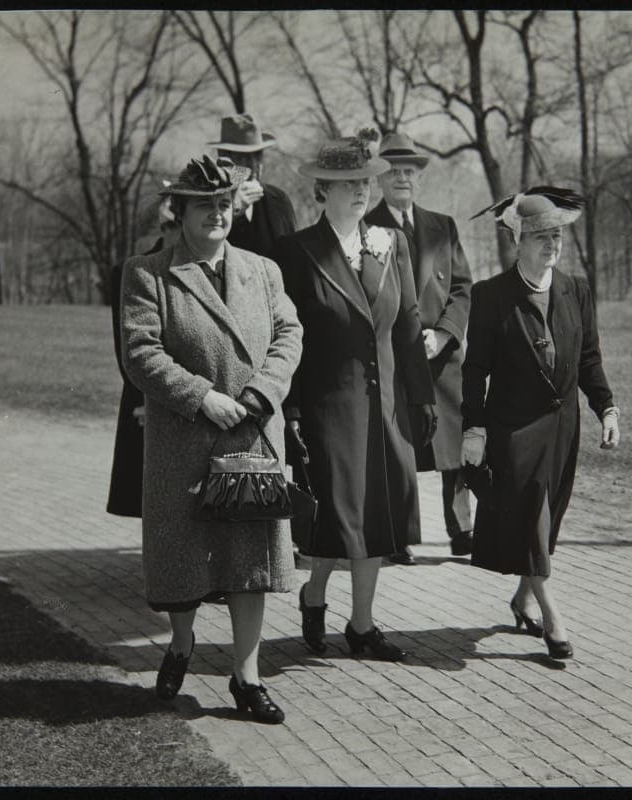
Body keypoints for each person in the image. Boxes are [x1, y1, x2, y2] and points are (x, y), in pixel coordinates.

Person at [119, 155, 303, 722]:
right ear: (181, 211)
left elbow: (289, 334)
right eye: (205, 206)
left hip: (250, 433)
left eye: (225, 205)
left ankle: (245, 678)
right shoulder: (148, 273)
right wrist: (203, 397)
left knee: (250, 561)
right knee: (184, 563)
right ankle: (180, 642)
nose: (218, 215)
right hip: (185, 441)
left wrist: (259, 395)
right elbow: (140, 353)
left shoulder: (263, 271)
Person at [270, 130, 437, 661]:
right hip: (328, 407)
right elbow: (285, 337)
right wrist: (291, 408)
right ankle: (315, 590)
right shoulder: (296, 252)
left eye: (365, 181)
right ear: (323, 190)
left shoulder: (392, 245)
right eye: (348, 184)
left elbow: (408, 326)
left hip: (385, 404)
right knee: (340, 514)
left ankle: (361, 626)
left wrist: (422, 399)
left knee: (380, 516)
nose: (362, 191)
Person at [461, 187, 620, 660]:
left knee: (547, 523)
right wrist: (474, 429)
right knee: (531, 515)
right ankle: (553, 617)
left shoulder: (576, 290)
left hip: (562, 427)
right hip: (513, 428)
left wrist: (606, 409)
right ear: (518, 242)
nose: (552, 245)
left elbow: (589, 358)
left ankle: (522, 598)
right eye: (541, 237)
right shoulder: (491, 296)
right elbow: (475, 371)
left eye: (557, 236)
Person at [365, 132, 473, 564]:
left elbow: (463, 288)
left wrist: (445, 333)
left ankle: (462, 531)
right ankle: (397, 536)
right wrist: (407, 342)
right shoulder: (367, 228)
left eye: (409, 171)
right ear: (380, 179)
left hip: (442, 356)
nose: (402, 178)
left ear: (418, 178)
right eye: (393, 171)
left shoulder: (442, 225)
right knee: (399, 449)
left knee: (453, 453)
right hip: (395, 358)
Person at [107, 189, 179, 519]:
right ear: (164, 227)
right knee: (151, 489)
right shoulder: (131, 271)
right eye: (173, 225)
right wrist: (145, 400)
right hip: (144, 391)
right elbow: (128, 346)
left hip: (188, 392)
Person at [208, 113, 298, 259]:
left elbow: (293, 256)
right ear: (222, 157)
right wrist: (233, 209)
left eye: (257, 155)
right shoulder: (207, 200)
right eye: (241, 157)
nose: (252, 164)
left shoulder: (278, 199)